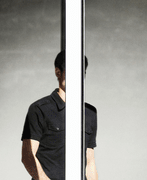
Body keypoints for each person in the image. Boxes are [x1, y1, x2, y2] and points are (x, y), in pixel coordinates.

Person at [21, 51, 98, 180]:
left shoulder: (90, 113)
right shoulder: (40, 109)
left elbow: (89, 162)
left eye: (81, 73)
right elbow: (28, 155)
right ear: (58, 72)